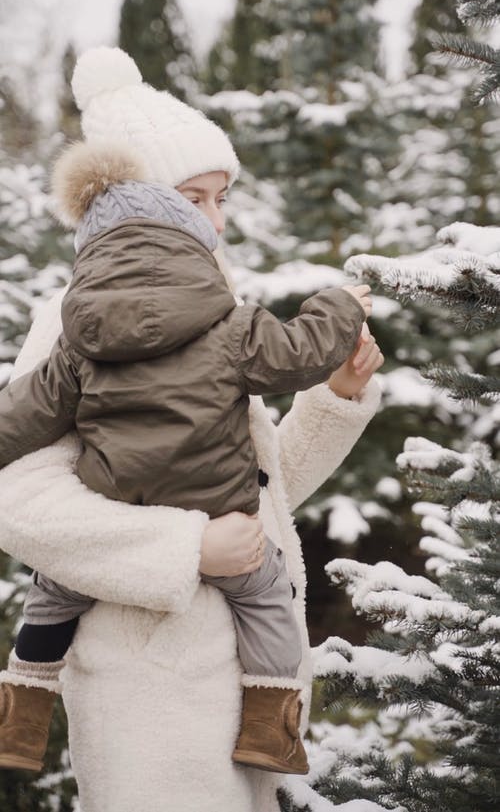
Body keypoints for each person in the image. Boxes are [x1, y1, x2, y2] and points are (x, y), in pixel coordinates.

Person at [0, 47, 383, 812]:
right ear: (137, 208)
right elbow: (22, 505)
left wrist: (338, 397)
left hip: (234, 685)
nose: (214, 220)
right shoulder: (74, 319)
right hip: (151, 698)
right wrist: (186, 547)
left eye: (222, 198)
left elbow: (254, 495)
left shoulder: (212, 313)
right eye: (192, 197)